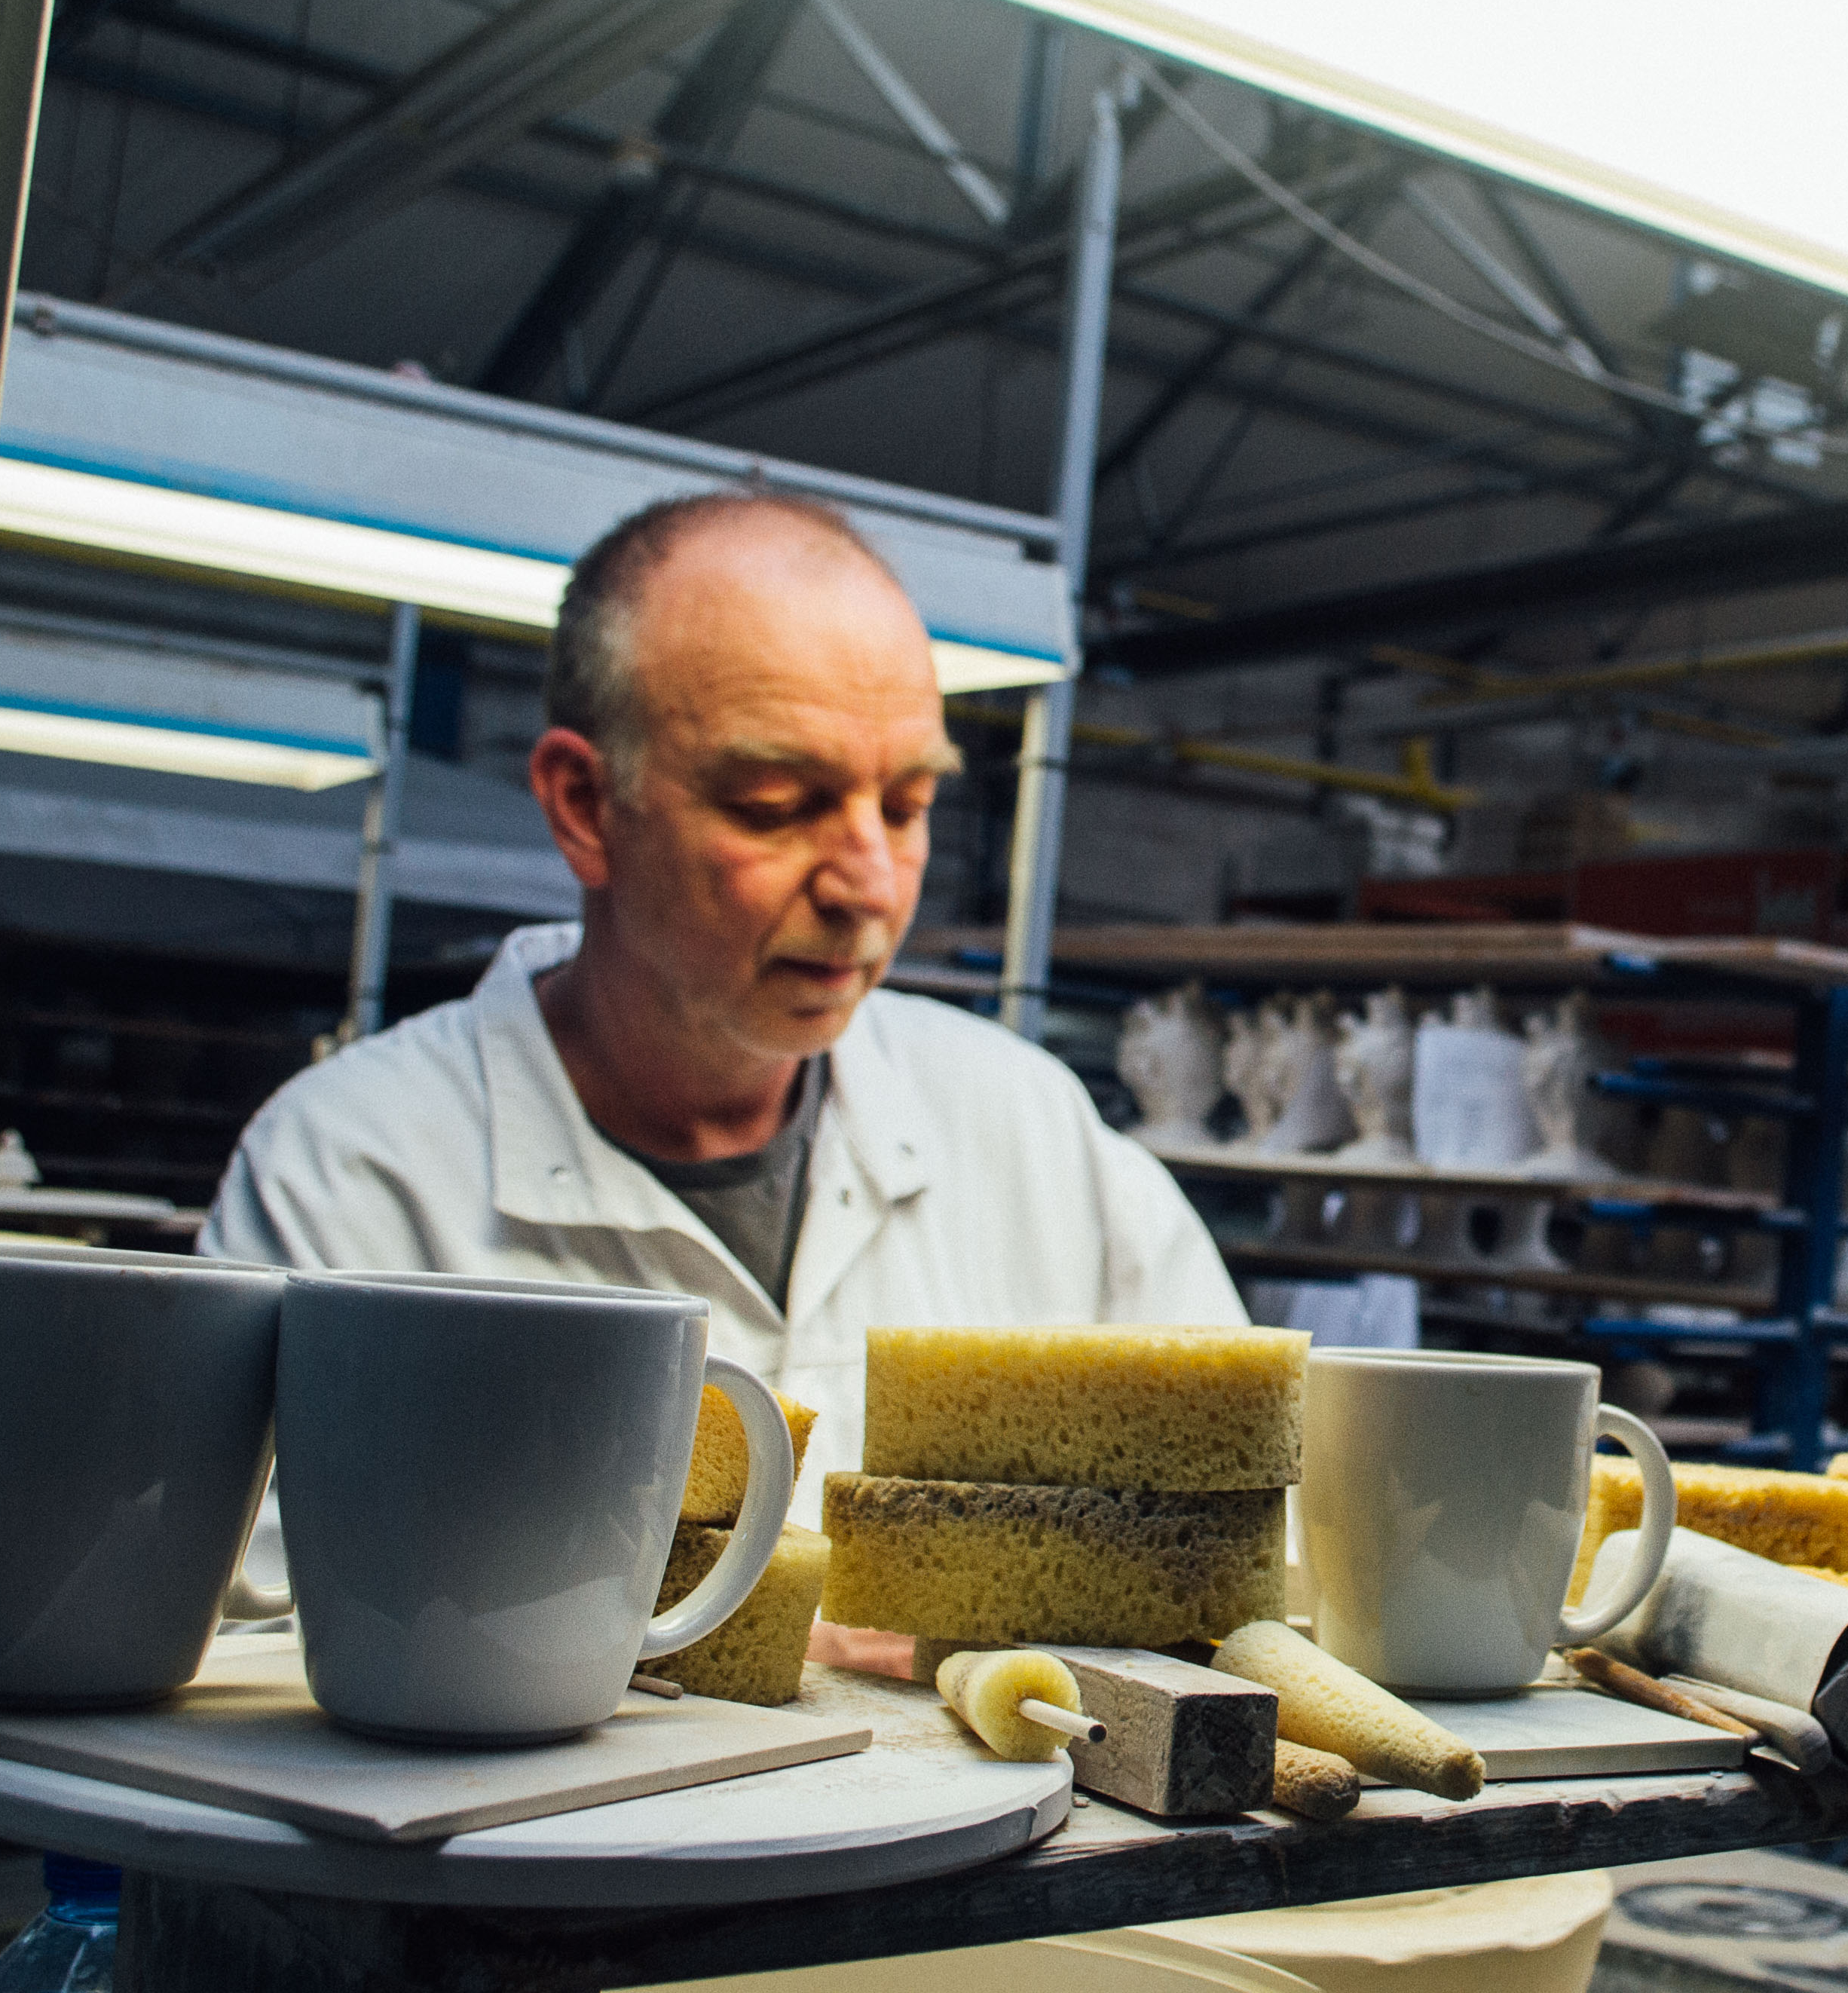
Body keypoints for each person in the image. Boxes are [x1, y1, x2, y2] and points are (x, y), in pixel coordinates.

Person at [205, 489, 1242, 1500]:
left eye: (906, 805)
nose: (870, 887)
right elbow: (255, 1593)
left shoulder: (1033, 1135)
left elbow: (1239, 1516)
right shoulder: (351, 1180)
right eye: (777, 807)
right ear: (586, 805)